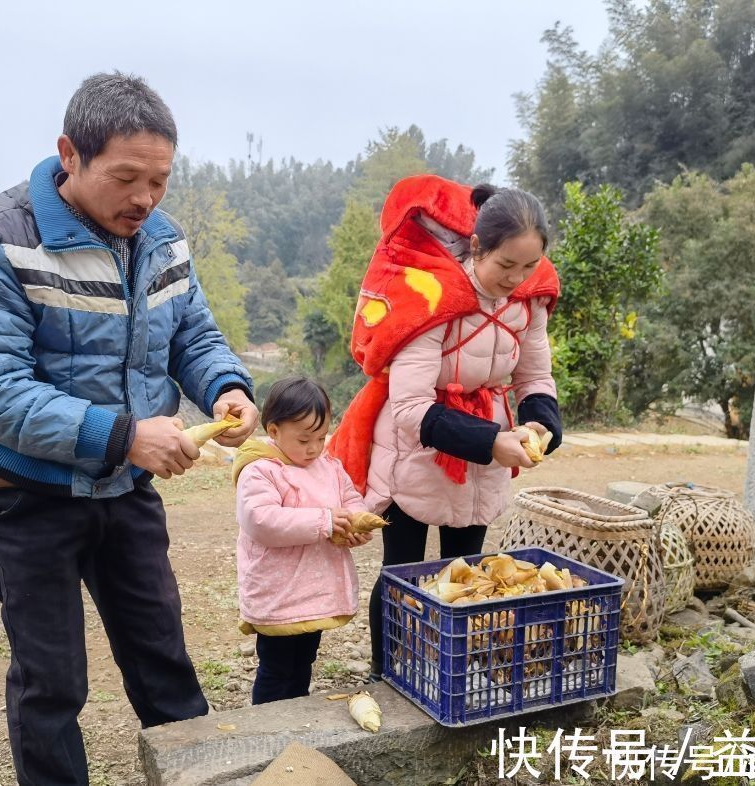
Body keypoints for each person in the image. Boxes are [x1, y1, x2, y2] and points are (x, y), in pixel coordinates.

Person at [0, 72, 258, 786]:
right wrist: (124, 435)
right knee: (50, 682)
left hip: (125, 492)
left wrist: (226, 387)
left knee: (164, 661)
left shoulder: (163, 241)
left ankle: (198, 775)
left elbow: (193, 336)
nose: (143, 199)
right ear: (70, 156)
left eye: (159, 181)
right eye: (125, 178)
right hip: (29, 495)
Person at [328, 175, 563, 680]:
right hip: (416, 446)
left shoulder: (529, 303)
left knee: (469, 572)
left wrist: (541, 425)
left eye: (529, 266)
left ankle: (455, 669)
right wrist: (491, 442)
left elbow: (534, 374)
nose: (516, 278)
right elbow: (410, 407)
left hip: (485, 445)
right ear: (477, 245)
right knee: (404, 572)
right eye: (505, 265)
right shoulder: (434, 295)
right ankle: (389, 669)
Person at [232, 376, 372, 704]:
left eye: (321, 438)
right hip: (279, 592)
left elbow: (349, 498)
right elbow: (261, 521)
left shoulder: (328, 466)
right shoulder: (261, 471)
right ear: (274, 431)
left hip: (315, 588)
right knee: (277, 666)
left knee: (304, 661)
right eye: (304, 439)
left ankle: (297, 715)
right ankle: (268, 727)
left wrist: (356, 522)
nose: (313, 448)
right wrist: (324, 521)